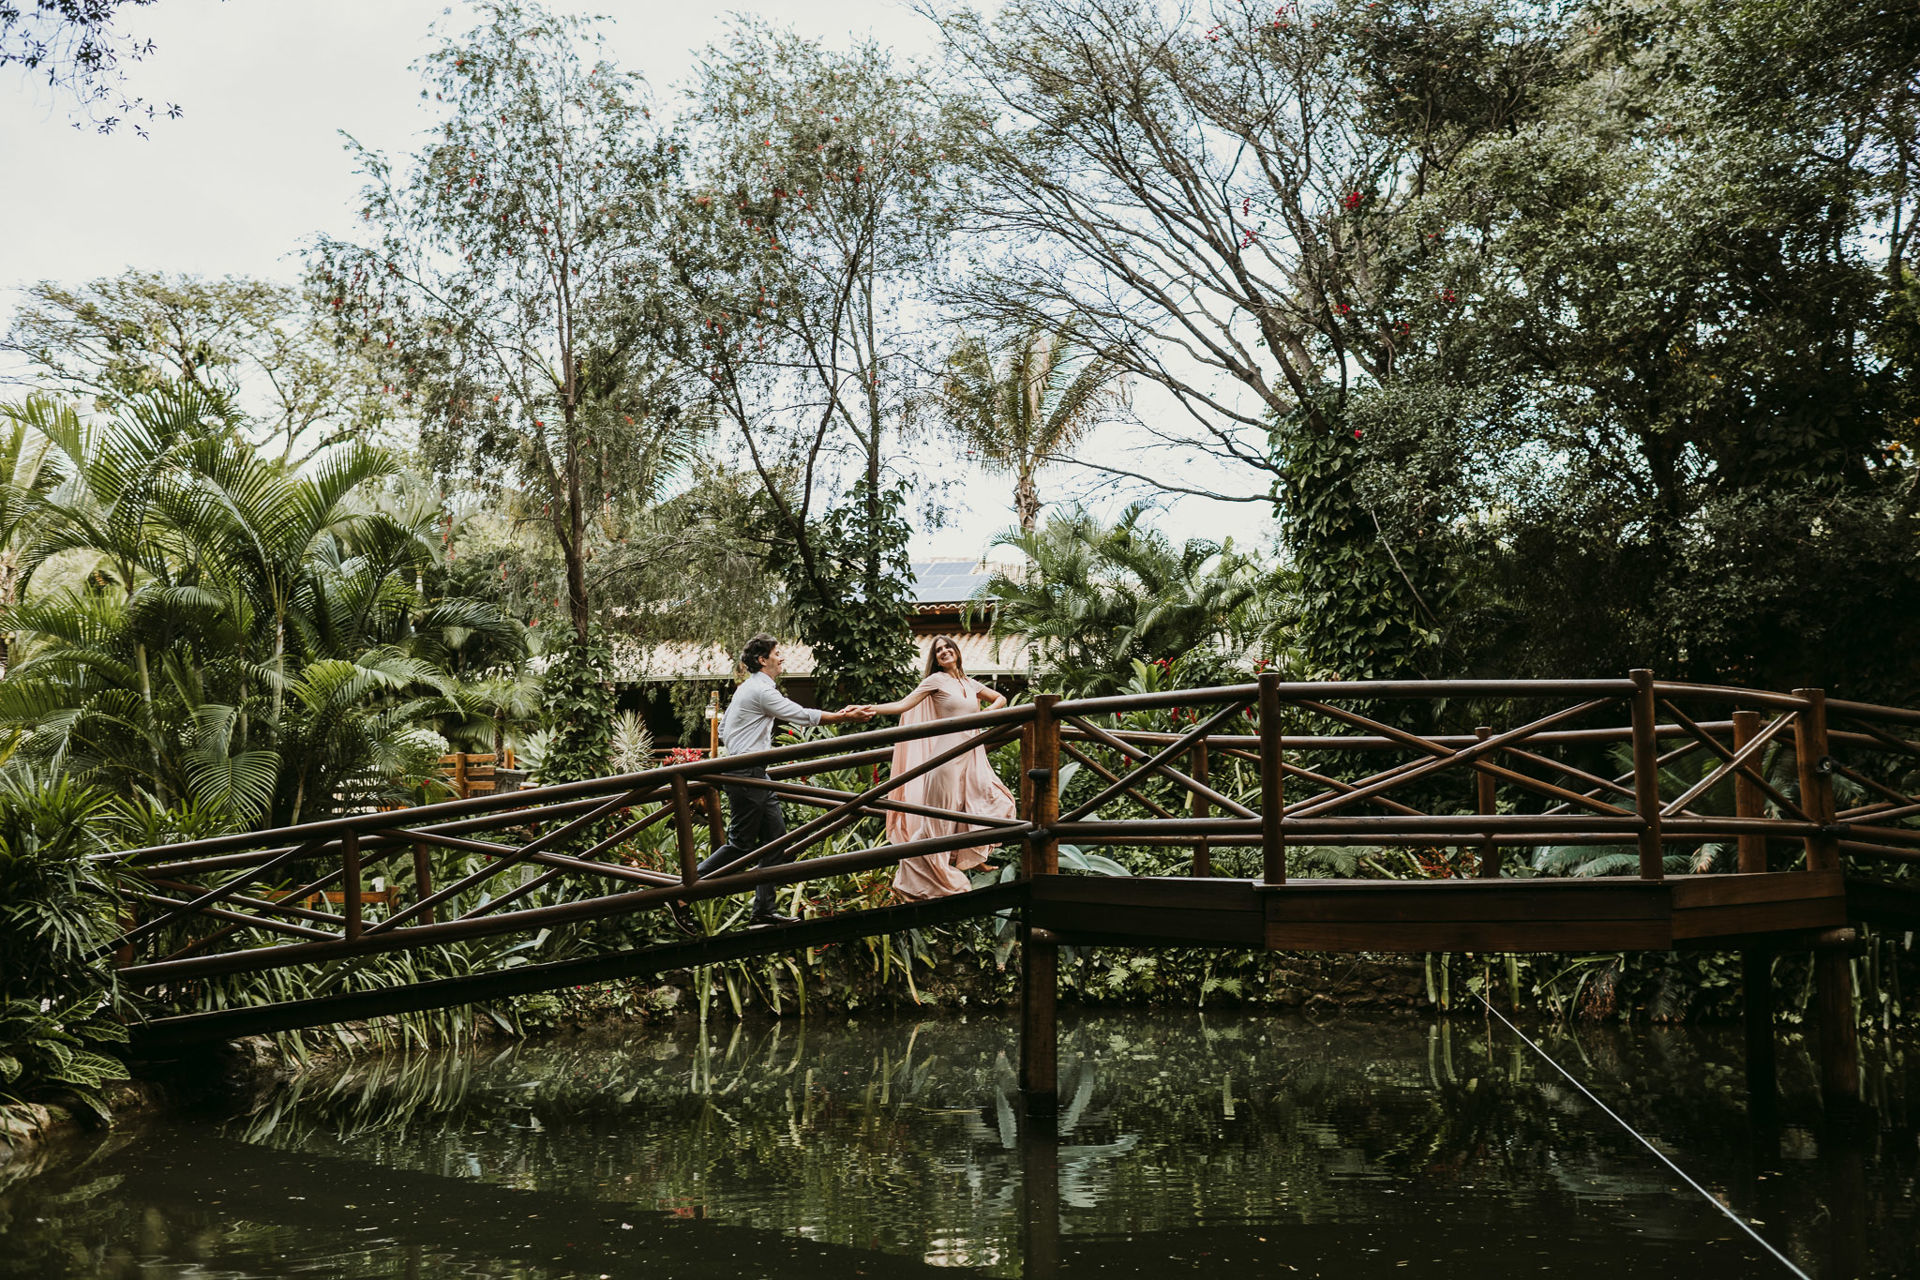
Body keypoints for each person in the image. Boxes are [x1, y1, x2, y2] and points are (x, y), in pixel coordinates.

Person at [693, 634, 871, 927]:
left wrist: (747, 748)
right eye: (777, 653)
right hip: (746, 774)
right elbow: (800, 715)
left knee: (777, 839)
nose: (782, 657)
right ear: (763, 660)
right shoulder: (761, 691)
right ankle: (685, 889)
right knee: (741, 844)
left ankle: (763, 910)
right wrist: (844, 718)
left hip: (755, 773)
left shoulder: (746, 689)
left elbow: (723, 729)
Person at [861, 635, 1015, 900]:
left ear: (956, 651)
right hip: (947, 756)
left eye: (947, 647)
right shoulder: (935, 681)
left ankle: (964, 859)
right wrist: (870, 709)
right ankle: (917, 875)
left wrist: (984, 717)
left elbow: (999, 698)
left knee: (993, 800)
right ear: (935, 659)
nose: (944, 652)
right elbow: (903, 705)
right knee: (938, 818)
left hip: (973, 753)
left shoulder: (969, 682)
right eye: (938, 650)